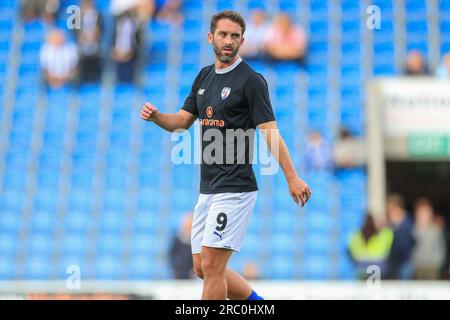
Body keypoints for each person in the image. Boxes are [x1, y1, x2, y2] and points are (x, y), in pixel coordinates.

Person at [140, 10, 312, 300]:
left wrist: (291, 177)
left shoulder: (251, 81)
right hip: (208, 188)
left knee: (212, 266)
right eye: (223, 34)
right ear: (211, 37)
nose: (228, 40)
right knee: (201, 267)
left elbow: (270, 132)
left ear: (243, 41)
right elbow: (182, 121)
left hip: (235, 188)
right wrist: (157, 117)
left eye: (235, 36)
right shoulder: (204, 77)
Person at [348, 214, 393, 280]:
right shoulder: (381, 235)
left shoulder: (356, 235)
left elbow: (352, 251)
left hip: (363, 268)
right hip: (377, 268)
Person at [412, 198, 446, 280]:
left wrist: (437, 263)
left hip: (432, 267)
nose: (423, 215)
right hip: (418, 266)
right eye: (420, 213)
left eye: (425, 212)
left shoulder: (436, 229)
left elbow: (441, 247)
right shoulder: (413, 229)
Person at [385, 194, 414, 280]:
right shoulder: (390, 225)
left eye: (390, 208)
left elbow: (404, 244)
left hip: (405, 262)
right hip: (393, 262)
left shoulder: (407, 223)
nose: (388, 211)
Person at [74, 0, 102, 83]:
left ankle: (96, 81)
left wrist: (96, 35)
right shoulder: (77, 15)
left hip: (95, 43)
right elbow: (74, 30)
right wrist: (81, 37)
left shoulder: (98, 15)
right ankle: (81, 82)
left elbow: (102, 29)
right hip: (81, 43)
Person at [169, 213, 195, 279]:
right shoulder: (177, 239)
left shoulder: (196, 239)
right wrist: (175, 268)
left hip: (191, 274)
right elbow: (172, 254)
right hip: (178, 273)